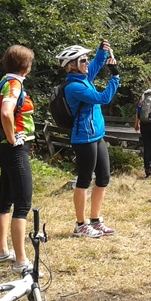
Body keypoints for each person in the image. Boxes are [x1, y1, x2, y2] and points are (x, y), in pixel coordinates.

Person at [55, 41, 120, 238]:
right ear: (72, 66)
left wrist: (102, 51)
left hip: (97, 136)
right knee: (84, 180)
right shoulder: (75, 87)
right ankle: (80, 225)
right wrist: (115, 77)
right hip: (84, 138)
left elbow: (95, 65)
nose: (87, 63)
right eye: (83, 60)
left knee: (103, 178)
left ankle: (96, 220)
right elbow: (103, 98)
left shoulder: (84, 78)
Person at [0, 45, 36, 273]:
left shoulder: (3, 82)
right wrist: (13, 138)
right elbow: (7, 112)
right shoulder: (14, 84)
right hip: (14, 150)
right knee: (23, 204)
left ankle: (2, 251)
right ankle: (21, 261)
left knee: (5, 199)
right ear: (26, 66)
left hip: (1, 148)